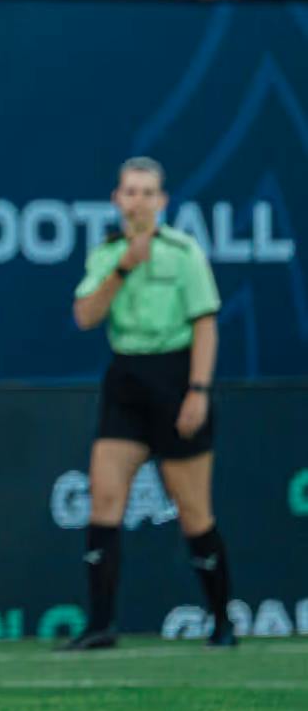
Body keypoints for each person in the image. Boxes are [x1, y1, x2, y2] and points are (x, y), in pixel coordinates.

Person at [64, 157, 233, 652]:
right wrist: (123, 267)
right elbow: (85, 316)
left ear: (162, 201)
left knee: (194, 512)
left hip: (175, 377)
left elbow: (205, 322)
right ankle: (100, 625)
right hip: (126, 378)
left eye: (147, 193)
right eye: (129, 192)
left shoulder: (185, 253)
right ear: (117, 199)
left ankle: (222, 621)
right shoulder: (106, 255)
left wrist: (197, 391)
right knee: (104, 499)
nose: (137, 201)